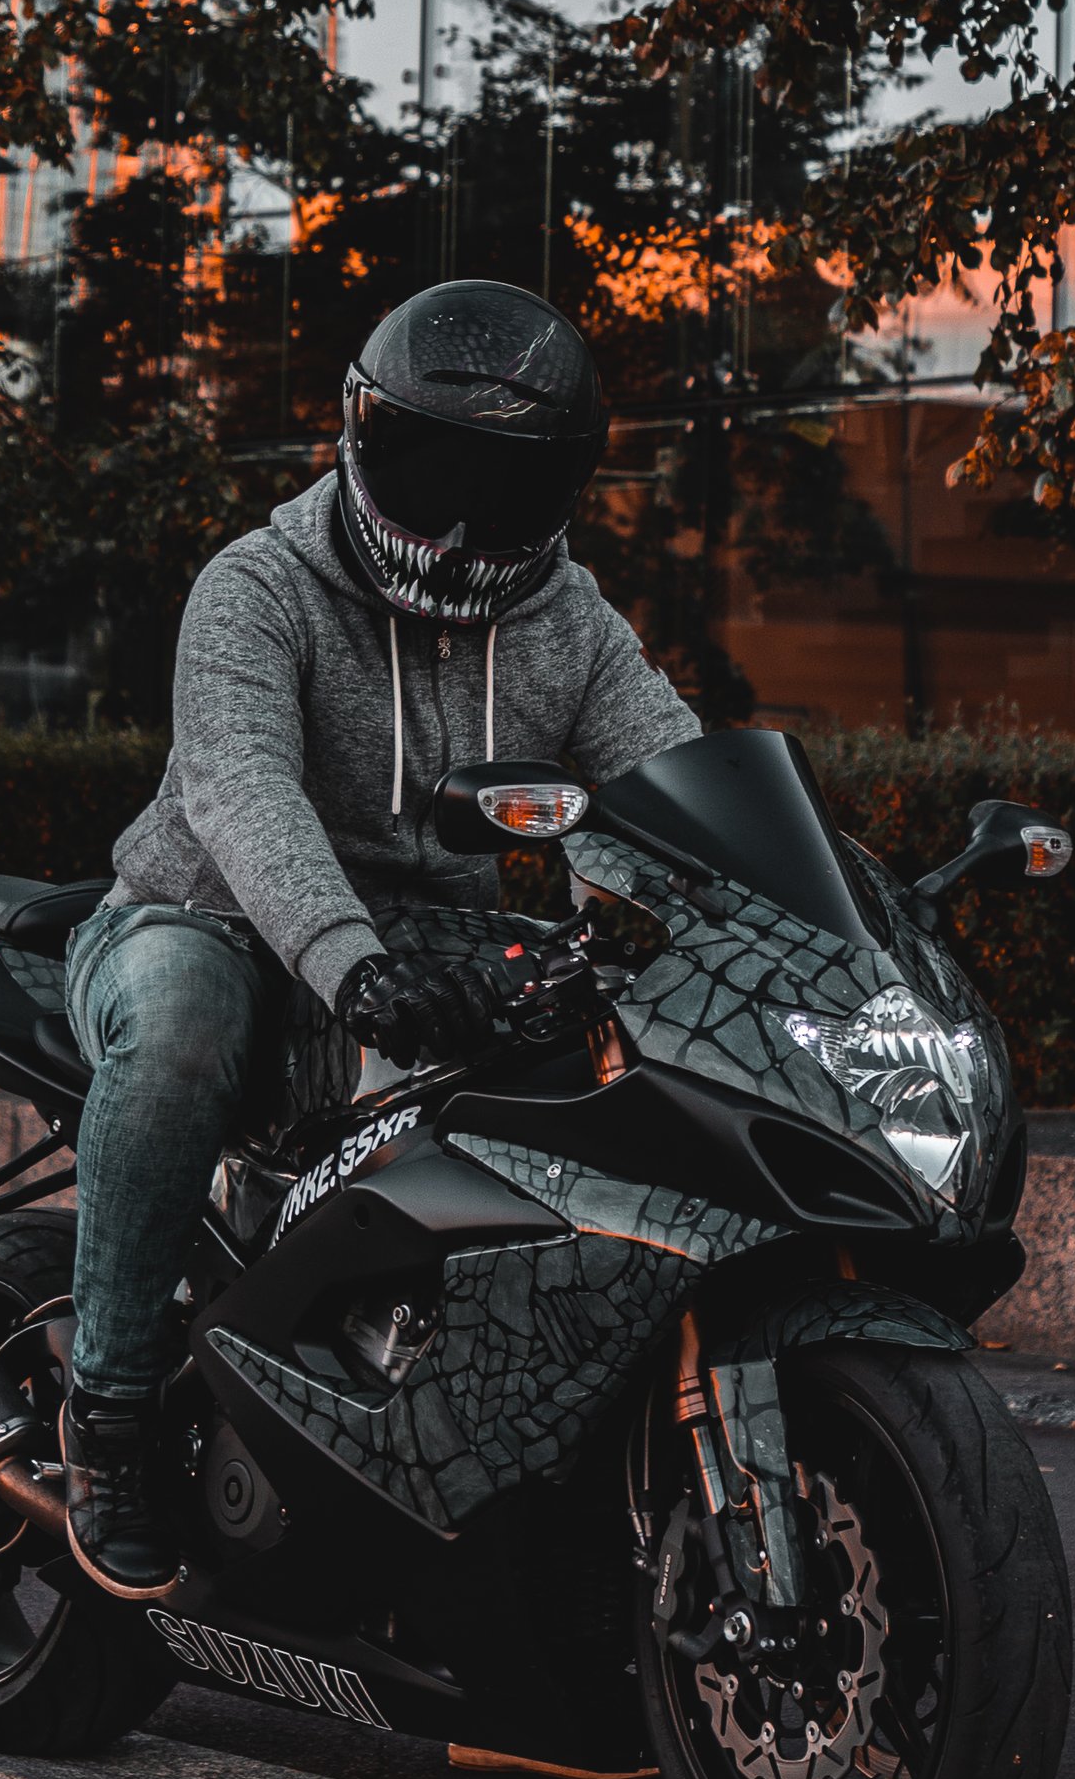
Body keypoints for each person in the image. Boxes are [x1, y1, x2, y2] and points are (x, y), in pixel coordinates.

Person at [56, 279, 698, 1601]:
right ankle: (108, 1418)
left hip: (426, 946)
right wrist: (356, 969)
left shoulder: (565, 618)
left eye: (502, 489)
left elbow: (670, 773)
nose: (461, 526)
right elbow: (245, 797)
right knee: (179, 1035)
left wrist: (795, 904)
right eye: (431, 469)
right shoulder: (256, 587)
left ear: (562, 489)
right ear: (359, 437)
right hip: (207, 917)